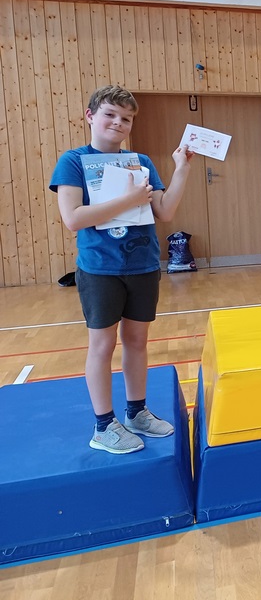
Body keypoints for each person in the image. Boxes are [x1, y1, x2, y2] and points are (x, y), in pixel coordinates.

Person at [49, 85, 194, 454]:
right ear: (90, 116)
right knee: (102, 345)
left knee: (137, 342)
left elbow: (165, 211)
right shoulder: (73, 161)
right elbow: (73, 218)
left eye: (126, 118)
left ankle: (136, 412)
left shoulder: (140, 162)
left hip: (142, 265)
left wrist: (181, 169)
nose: (118, 123)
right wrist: (128, 199)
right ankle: (103, 426)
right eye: (110, 114)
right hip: (100, 268)